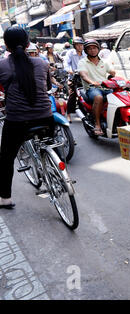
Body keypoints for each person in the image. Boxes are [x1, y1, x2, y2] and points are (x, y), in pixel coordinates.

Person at [0, 26, 54, 209]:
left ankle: (5, 198)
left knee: (6, 159)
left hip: (17, 122)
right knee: (49, 145)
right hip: (46, 118)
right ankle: (56, 174)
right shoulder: (43, 63)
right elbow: (47, 87)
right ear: (28, 43)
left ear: (6, 45)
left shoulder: (3, 65)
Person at [77, 39, 116, 136]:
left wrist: (116, 77)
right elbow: (83, 75)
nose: (92, 50)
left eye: (94, 48)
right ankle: (97, 124)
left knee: (118, 95)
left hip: (105, 87)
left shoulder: (104, 62)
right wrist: (92, 82)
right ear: (86, 51)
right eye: (89, 49)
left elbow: (113, 72)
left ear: (98, 49)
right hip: (91, 88)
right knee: (98, 97)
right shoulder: (83, 62)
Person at [64, 37, 86, 122]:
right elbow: (66, 63)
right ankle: (69, 115)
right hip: (74, 77)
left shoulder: (85, 53)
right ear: (74, 46)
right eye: (78, 45)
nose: (80, 47)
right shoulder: (70, 53)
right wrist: (70, 70)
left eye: (81, 45)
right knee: (72, 96)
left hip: (85, 77)